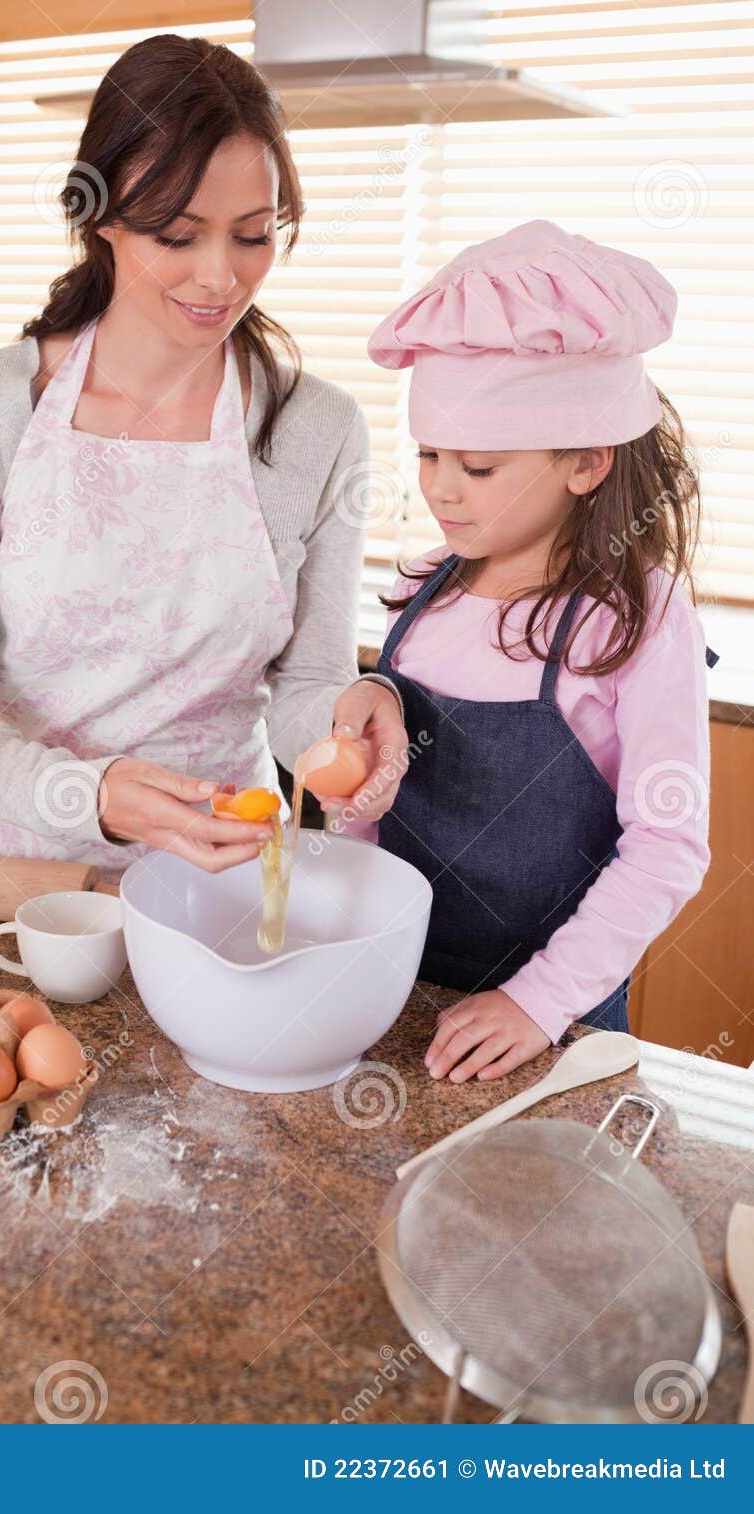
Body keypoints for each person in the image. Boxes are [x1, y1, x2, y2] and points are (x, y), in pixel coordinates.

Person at [0, 34, 404, 874]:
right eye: (176, 235)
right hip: (6, 877)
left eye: (251, 235)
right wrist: (87, 795)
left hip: (220, 878)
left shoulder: (317, 428)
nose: (219, 277)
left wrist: (357, 708)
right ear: (97, 219)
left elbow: (304, 689)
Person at [339, 220, 713, 1083]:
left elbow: (666, 845)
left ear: (585, 461)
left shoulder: (636, 623)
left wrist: (538, 1001)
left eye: (475, 467)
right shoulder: (424, 588)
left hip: (547, 1026)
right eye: (430, 455)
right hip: (393, 994)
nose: (438, 487)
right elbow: (372, 807)